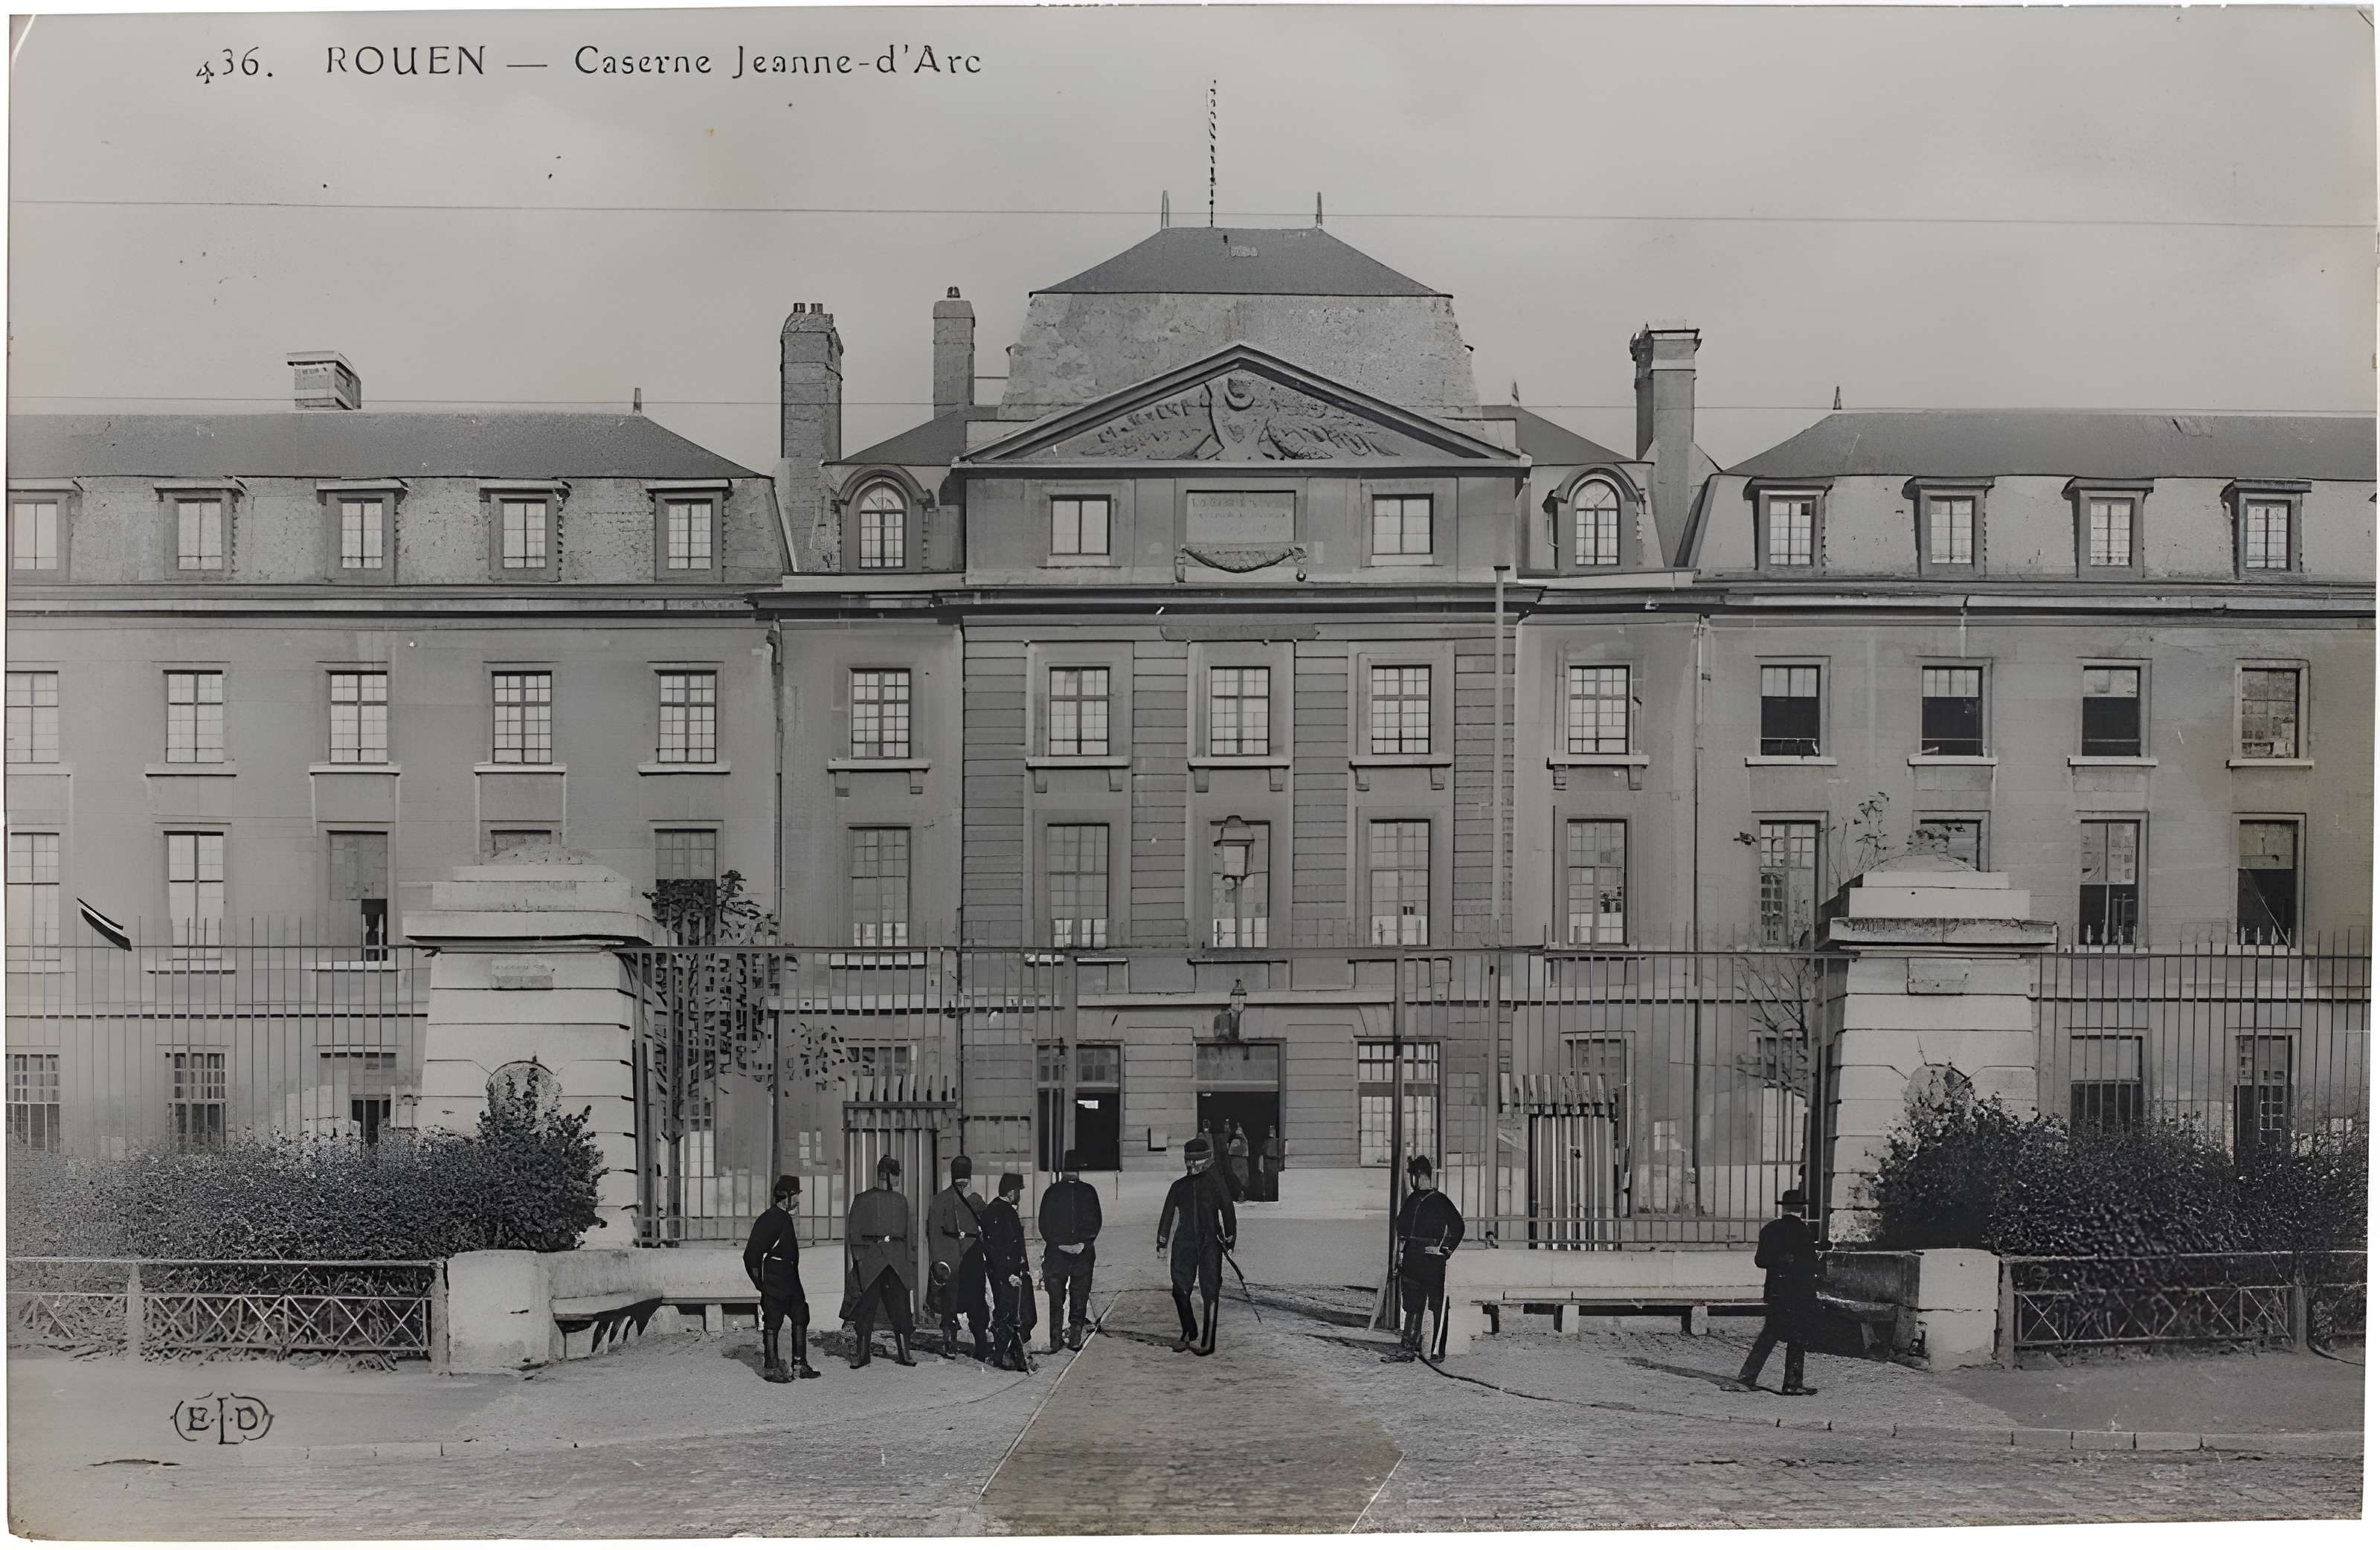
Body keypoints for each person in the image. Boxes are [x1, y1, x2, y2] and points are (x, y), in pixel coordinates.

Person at [1156, 1133, 1237, 1356]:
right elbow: (1167, 1215)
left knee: (1210, 1290)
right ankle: (1188, 1330)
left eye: (1195, 1161)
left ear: (1206, 1160)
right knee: (1180, 1289)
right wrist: (1162, 1242)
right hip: (1184, 1243)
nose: (1190, 1165)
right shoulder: (1178, 1186)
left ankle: (1208, 1341)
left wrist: (1230, 1237)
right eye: (1188, 1161)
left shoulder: (1215, 1183)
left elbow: (1228, 1210)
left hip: (1210, 1242)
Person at [1736, 1187, 1821, 1396]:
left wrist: (1780, 1261)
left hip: (1775, 1291)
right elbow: (1811, 1266)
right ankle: (1792, 1383)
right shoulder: (1803, 1232)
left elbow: (1760, 1261)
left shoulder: (1770, 1229)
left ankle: (1747, 1379)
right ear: (1802, 1208)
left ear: (1784, 1207)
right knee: (1797, 1337)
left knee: (1769, 1334)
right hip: (1798, 1293)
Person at [1383, 1154, 1464, 1363]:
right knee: (1412, 1304)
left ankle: (1436, 1350)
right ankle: (1409, 1346)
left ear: (1418, 1176)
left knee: (1436, 1304)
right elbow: (1400, 1228)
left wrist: (1444, 1250)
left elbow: (1458, 1226)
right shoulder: (1412, 1200)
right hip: (1411, 1258)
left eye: (1412, 1176)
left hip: (1431, 1260)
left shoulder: (1440, 1200)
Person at [840, 1154, 917, 1369]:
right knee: (866, 1309)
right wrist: (861, 1259)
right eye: (895, 1176)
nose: (898, 1181)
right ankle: (862, 1354)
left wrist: (908, 1263)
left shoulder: (902, 1201)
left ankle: (905, 1353)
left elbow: (909, 1234)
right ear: (886, 1176)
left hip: (896, 1261)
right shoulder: (862, 1199)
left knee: (901, 1309)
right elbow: (853, 1230)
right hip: (871, 1261)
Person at [742, 1174, 820, 1382]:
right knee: (773, 1321)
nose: (798, 1200)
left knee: (801, 1314)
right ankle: (771, 1367)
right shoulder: (770, 1218)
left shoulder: (784, 1217)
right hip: (775, 1279)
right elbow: (751, 1256)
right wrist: (761, 1284)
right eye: (796, 1195)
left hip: (790, 1278)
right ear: (786, 1196)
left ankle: (800, 1364)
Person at [1037, 1148, 1104, 1353]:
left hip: (1057, 1253)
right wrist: (1083, 1244)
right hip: (1083, 1253)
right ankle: (1075, 1337)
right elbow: (1096, 1222)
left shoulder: (1051, 1192)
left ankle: (1055, 1338)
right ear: (1079, 1171)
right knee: (1080, 1294)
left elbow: (1044, 1225)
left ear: (1063, 1170)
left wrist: (1059, 1244)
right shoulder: (1089, 1191)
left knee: (1055, 1296)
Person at [926, 1155, 990, 1362]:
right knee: (965, 1300)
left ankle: (953, 1343)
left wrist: (938, 1261)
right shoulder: (972, 1199)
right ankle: (976, 1344)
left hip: (954, 1256)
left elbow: (933, 1234)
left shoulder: (942, 1199)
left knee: (953, 1301)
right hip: (965, 1255)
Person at [980, 1171, 1036, 1372]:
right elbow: (996, 1248)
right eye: (1019, 1191)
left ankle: (1011, 1353)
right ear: (1012, 1192)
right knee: (1008, 1315)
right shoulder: (1000, 1212)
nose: (1020, 1195)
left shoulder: (998, 1210)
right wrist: (1009, 1274)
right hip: (1007, 1275)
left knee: (1019, 1314)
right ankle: (1003, 1356)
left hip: (1011, 1273)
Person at [1226, 1121, 1252, 1202]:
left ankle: (1238, 1193)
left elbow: (1230, 1151)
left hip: (1238, 1161)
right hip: (1240, 1161)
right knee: (1240, 1180)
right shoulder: (1243, 1141)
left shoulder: (1238, 1140)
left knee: (1239, 1180)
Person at [1259, 1127, 1284, 1202]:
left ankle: (1272, 1197)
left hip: (1273, 1162)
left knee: (1273, 1181)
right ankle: (1269, 1197)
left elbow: (1281, 1153)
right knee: (1269, 1181)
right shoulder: (1268, 1141)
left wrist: (1280, 1163)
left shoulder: (1277, 1141)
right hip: (1270, 1162)